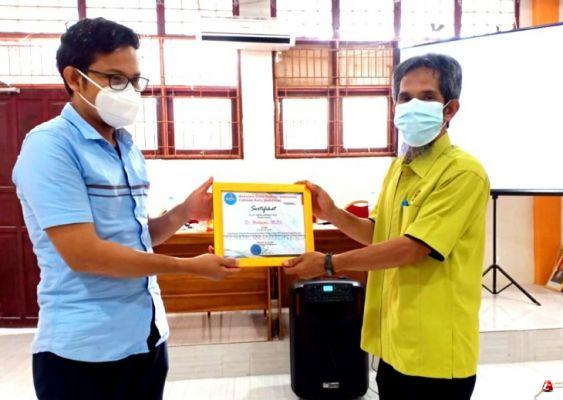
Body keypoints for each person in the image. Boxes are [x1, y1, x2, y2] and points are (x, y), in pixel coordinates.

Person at [11, 18, 239, 400]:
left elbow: (136, 237)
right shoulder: (50, 147)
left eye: (135, 81)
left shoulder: (126, 146)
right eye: (116, 79)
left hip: (147, 338)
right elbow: (85, 255)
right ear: (75, 78)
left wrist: (185, 211)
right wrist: (189, 267)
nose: (129, 91)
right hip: (85, 350)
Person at [284, 53, 490, 400]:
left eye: (427, 97)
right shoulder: (398, 168)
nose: (412, 107)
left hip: (436, 351)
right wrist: (331, 212)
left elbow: (413, 248)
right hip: (395, 342)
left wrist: (328, 264)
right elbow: (377, 233)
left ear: (450, 109)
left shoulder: (463, 173)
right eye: (404, 98)